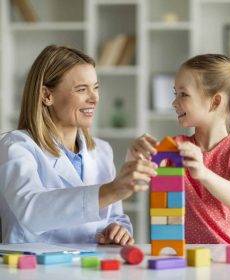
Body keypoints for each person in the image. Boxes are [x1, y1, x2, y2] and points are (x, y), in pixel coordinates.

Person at [0, 45, 157, 245]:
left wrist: (118, 230)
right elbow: (31, 211)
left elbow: (114, 217)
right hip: (32, 270)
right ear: (47, 95)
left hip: (89, 268)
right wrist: (111, 190)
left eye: (96, 87)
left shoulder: (101, 151)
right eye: (82, 89)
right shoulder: (16, 147)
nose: (94, 98)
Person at [129, 54, 230, 244]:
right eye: (175, 93)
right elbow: (137, 183)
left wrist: (202, 172)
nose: (174, 103)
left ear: (215, 102)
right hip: (191, 258)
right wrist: (133, 156)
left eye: (183, 94)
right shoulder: (174, 148)